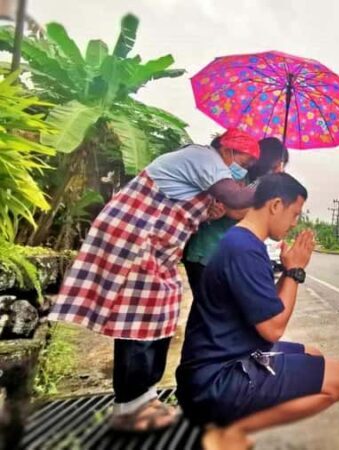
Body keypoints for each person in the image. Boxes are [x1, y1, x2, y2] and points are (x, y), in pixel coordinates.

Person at [49, 129, 263, 432]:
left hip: (156, 249)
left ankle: (145, 396)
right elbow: (237, 197)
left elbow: (193, 207)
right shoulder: (204, 157)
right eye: (246, 161)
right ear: (228, 149)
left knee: (159, 316)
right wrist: (272, 183)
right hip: (135, 237)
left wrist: (208, 214)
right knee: (137, 320)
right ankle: (129, 407)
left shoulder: (210, 170)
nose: (245, 168)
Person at [176, 173, 339, 450]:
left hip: (221, 361)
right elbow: (273, 328)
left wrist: (289, 269)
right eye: (294, 214)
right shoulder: (244, 249)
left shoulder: (242, 241)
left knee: (313, 353)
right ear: (276, 205)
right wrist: (295, 271)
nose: (295, 223)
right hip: (217, 380)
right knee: (338, 377)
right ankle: (228, 432)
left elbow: (268, 305)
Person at [183, 137, 288, 303]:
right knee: (210, 309)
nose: (278, 171)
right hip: (207, 253)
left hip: (227, 258)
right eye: (275, 166)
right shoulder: (236, 177)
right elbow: (235, 210)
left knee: (215, 310)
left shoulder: (256, 185)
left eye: (281, 166)